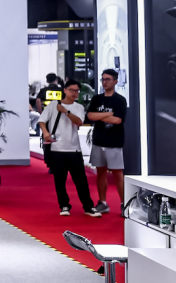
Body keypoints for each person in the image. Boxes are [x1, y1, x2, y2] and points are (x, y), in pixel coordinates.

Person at [39, 79, 102, 218]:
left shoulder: (78, 107)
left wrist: (66, 112)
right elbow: (42, 120)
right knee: (59, 181)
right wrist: (45, 132)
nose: (74, 93)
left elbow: (79, 122)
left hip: (74, 149)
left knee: (81, 181)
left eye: (76, 91)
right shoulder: (53, 105)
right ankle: (64, 205)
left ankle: (88, 207)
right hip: (56, 149)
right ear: (65, 90)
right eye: (71, 90)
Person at [86, 69, 127, 214]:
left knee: (117, 174)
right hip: (99, 140)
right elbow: (90, 116)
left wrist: (100, 116)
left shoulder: (120, 100)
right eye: (103, 79)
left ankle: (124, 204)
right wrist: (108, 114)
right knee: (100, 172)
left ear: (115, 81)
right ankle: (102, 202)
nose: (105, 82)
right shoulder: (97, 99)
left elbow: (118, 120)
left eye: (108, 79)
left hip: (114, 141)